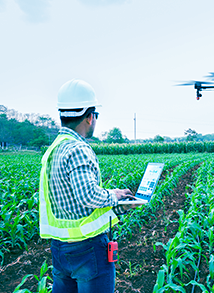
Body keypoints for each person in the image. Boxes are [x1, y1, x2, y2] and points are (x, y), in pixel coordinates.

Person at [39, 79, 142, 293]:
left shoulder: (54, 150)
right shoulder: (77, 148)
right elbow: (87, 196)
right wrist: (114, 197)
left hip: (60, 248)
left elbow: (74, 203)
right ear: (89, 116)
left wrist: (116, 199)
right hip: (87, 250)